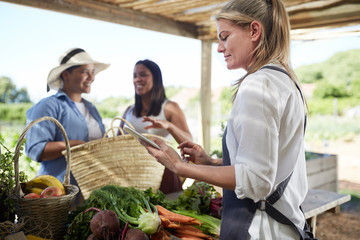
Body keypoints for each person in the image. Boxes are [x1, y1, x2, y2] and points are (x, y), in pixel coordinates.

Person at [141, 0, 315, 239]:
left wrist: (180, 167)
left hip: (260, 230)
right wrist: (211, 162)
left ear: (254, 31)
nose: (219, 48)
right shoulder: (285, 80)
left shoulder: (258, 85)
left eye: (225, 37)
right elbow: (268, 163)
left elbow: (256, 180)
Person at [25, 48, 110, 203]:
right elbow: (35, 149)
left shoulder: (92, 109)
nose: (92, 77)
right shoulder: (49, 105)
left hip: (92, 194)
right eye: (85, 71)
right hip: (59, 196)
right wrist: (74, 145)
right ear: (66, 74)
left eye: (93, 72)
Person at [120, 59, 192, 194]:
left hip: (163, 172)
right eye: (135, 76)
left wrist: (170, 126)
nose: (137, 79)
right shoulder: (129, 111)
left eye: (143, 74)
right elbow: (116, 143)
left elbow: (189, 141)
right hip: (133, 174)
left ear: (156, 78)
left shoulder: (170, 107)